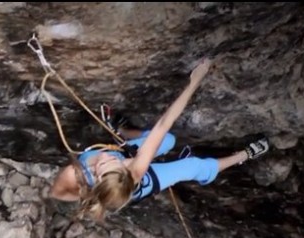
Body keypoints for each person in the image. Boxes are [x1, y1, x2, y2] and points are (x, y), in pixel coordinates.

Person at [48, 58, 270, 222]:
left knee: (169, 140)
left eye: (107, 161)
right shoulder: (132, 170)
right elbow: (57, 194)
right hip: (140, 185)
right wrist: (195, 81)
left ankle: (122, 131)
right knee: (194, 166)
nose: (105, 156)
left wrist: (195, 80)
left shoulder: (115, 168)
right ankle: (244, 155)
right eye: (109, 162)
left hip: (116, 178)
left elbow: (164, 126)